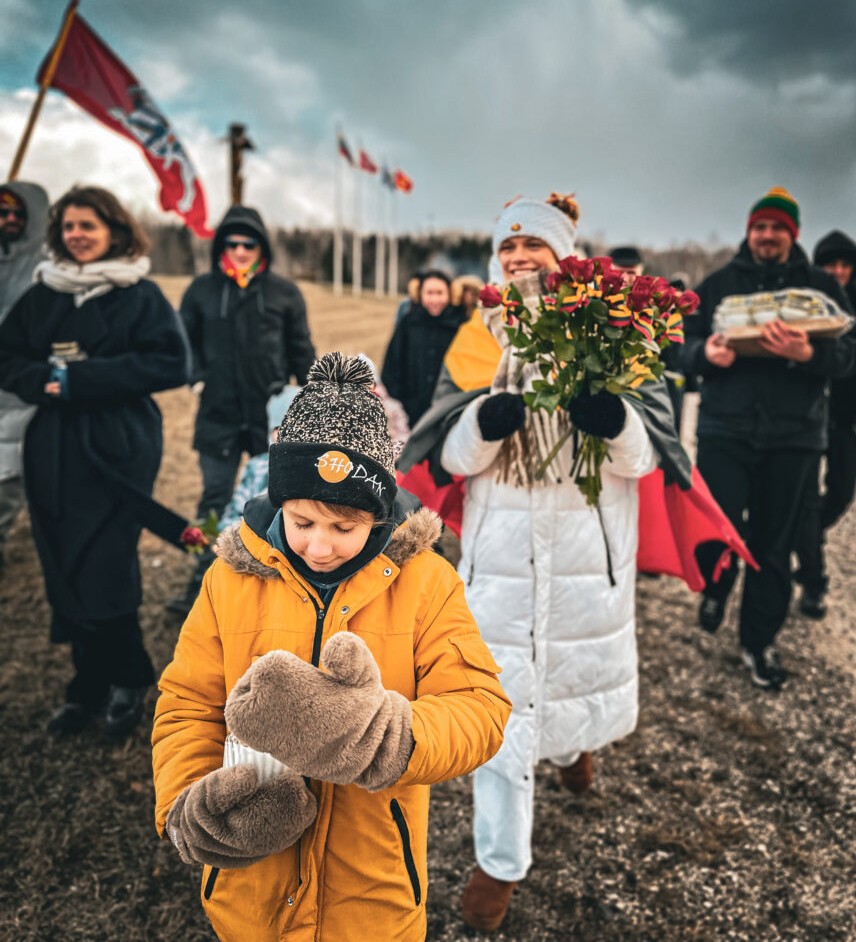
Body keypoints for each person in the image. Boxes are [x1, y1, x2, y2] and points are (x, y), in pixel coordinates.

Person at [152, 352, 510, 942]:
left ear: (380, 510)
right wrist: (189, 805)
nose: (319, 547)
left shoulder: (426, 582)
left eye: (344, 527)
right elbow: (188, 702)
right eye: (301, 521)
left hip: (372, 894)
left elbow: (482, 708)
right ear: (278, 502)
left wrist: (383, 735)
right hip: (250, 899)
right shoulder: (231, 579)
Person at [436, 194, 659, 932]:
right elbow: (446, 455)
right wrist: (481, 421)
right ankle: (498, 862)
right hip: (499, 552)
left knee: (571, 671)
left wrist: (617, 420)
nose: (519, 256)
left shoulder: (614, 328)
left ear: (565, 255)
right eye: (508, 246)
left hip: (585, 546)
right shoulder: (476, 340)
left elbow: (650, 452)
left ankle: (576, 747)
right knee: (503, 701)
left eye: (534, 244)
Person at [0, 185, 189, 736]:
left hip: (118, 442)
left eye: (89, 225)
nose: (76, 236)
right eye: (68, 227)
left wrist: (79, 379)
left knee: (106, 562)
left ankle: (127, 678)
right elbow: (8, 357)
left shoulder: (139, 293)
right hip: (52, 444)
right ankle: (86, 685)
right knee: (64, 561)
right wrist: (43, 382)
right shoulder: (45, 293)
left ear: (115, 230)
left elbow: (172, 363)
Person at [681, 188, 856, 688]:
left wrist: (811, 356)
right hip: (725, 431)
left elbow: (851, 353)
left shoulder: (821, 287)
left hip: (795, 437)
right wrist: (704, 357)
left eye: (778, 228)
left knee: (773, 544)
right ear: (749, 230)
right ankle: (717, 586)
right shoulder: (720, 284)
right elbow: (681, 343)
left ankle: (758, 643)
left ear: (792, 234)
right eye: (760, 226)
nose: (767, 235)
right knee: (717, 530)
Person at [180, 205, 315, 523]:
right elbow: (182, 343)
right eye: (232, 244)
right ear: (221, 247)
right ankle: (207, 566)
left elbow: (301, 349)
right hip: (218, 412)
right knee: (215, 495)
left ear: (261, 247)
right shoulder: (201, 290)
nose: (240, 251)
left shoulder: (284, 293)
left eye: (249, 244)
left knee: (273, 496)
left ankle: (265, 565)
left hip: (269, 413)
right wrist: (198, 379)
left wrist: (309, 396)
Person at [165, 384, 302, 618]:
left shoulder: (306, 471)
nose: (285, 436)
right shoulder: (257, 466)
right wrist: (224, 535)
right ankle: (208, 603)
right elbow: (237, 506)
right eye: (279, 429)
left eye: (295, 430)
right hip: (248, 542)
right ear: (270, 431)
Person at [792, 230, 856, 617]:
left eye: (844, 265)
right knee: (803, 499)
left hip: (844, 421)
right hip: (804, 419)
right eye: (830, 265)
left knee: (839, 495)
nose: (837, 271)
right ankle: (814, 582)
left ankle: (799, 532)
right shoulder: (805, 303)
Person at [0, 182, 49, 572]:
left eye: (19, 214)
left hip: (18, 397)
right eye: (2, 212)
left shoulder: (43, 273)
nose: (10, 219)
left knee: (7, 481)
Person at [382, 269, 464, 429]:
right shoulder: (409, 323)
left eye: (440, 293)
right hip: (411, 411)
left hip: (448, 412)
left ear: (449, 294)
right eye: (429, 293)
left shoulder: (460, 324)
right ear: (420, 295)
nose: (434, 299)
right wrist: (402, 400)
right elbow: (392, 363)